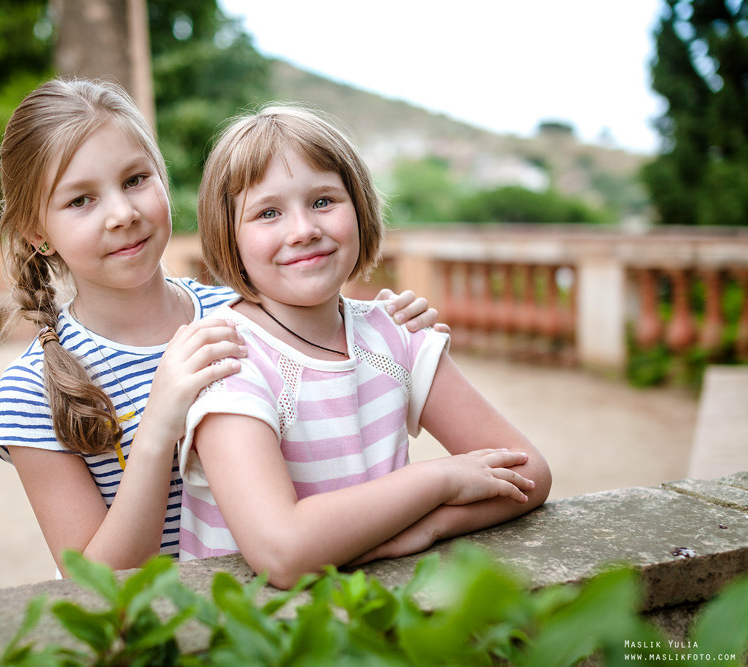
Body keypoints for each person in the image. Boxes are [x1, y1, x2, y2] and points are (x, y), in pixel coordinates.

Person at [0, 78, 442, 575]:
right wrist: (159, 425)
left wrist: (384, 326)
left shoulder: (245, 310)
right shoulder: (31, 390)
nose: (122, 214)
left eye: (136, 179)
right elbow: (92, 583)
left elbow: (334, 374)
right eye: (80, 201)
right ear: (38, 232)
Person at [178, 104, 551, 589]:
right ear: (228, 236)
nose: (303, 229)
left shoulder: (396, 332)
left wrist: (427, 527)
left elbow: (529, 472)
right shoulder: (228, 359)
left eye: (324, 201)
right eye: (268, 213)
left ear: (359, 207)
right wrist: (439, 481)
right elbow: (281, 552)